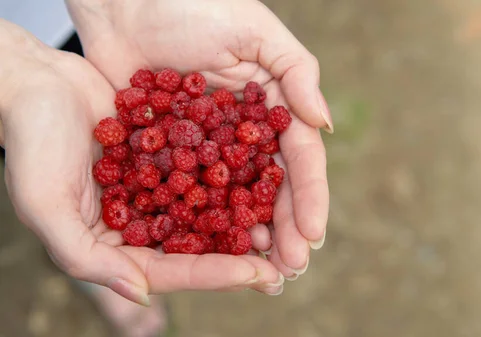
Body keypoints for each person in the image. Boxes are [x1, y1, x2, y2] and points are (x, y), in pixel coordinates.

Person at [0, 0, 332, 336]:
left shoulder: (211, 155)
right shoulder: (152, 155)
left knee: (74, 46)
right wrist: (12, 78)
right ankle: (104, 279)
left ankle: (107, 276)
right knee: (47, 165)